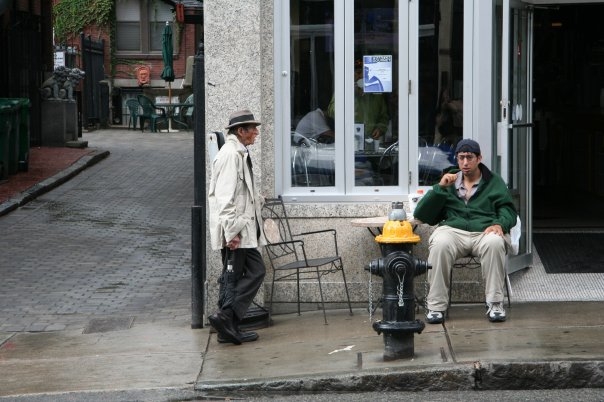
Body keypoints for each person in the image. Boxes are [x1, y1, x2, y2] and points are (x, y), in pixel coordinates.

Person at [413, 139, 517, 324]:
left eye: (469, 157)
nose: (465, 163)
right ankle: (436, 307)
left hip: (484, 231)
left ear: (479, 158)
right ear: (457, 159)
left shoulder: (494, 181)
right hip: (454, 231)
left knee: (495, 242)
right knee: (440, 244)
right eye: (461, 158)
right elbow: (423, 214)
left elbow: (508, 210)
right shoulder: (449, 181)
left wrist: (500, 224)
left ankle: (494, 303)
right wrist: (440, 188)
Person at [208, 109, 267, 345]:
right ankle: (225, 318)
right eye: (252, 128)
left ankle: (227, 327)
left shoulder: (238, 152)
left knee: (241, 275)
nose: (256, 132)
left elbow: (241, 193)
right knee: (248, 273)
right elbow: (224, 197)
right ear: (240, 131)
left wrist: (258, 199)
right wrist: (231, 232)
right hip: (237, 231)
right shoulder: (231, 155)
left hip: (242, 229)